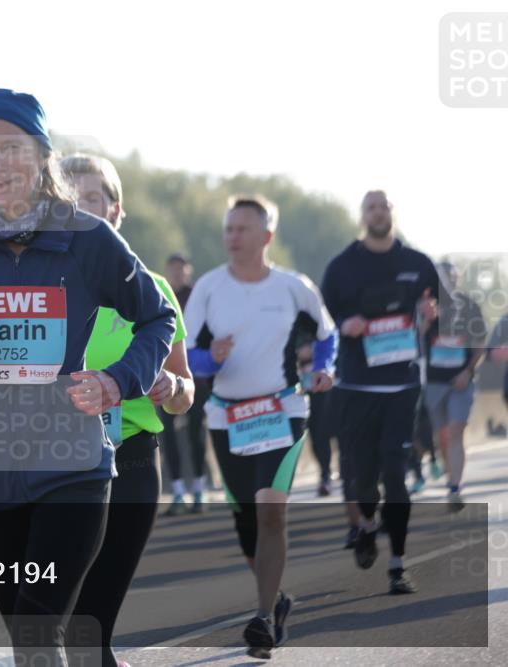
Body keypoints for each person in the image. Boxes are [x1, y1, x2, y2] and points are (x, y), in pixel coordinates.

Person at [0, 89, 177, 665]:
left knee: (38, 631)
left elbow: (157, 316)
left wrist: (119, 381)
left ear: (41, 153)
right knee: (31, 644)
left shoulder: (88, 238)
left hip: (72, 464)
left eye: (11, 148)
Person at [184, 195, 337, 656]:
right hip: (225, 417)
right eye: (228, 229)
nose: (232, 237)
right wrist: (212, 359)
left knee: (271, 509)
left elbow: (327, 337)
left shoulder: (293, 287)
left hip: (281, 411)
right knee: (247, 521)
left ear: (266, 236)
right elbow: (186, 353)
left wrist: (323, 373)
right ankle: (278, 599)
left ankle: (263, 618)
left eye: (242, 229)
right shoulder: (209, 289)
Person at [61, 153, 194, 667]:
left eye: (91, 199)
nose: (80, 210)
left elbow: (186, 395)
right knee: (61, 623)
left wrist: (167, 385)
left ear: (116, 211)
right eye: (68, 201)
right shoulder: (43, 287)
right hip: (57, 462)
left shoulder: (154, 290)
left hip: (132, 460)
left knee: (91, 626)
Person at [321, 189, 441, 595]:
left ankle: (397, 565)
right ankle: (368, 524)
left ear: (393, 212)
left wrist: (428, 317)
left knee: (396, 472)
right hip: (355, 383)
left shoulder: (418, 264)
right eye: (370, 207)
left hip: (402, 383)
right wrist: (343, 325)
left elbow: (435, 313)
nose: (377, 212)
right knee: (364, 477)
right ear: (362, 215)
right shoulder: (342, 267)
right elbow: (322, 323)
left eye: (383, 206)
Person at [423, 261, 487, 511]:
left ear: (457, 277)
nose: (446, 280)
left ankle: (454, 487)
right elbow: (414, 338)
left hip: (461, 381)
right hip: (434, 382)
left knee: (456, 430)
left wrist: (469, 370)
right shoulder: (426, 306)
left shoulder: (469, 305)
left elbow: (480, 341)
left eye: (450, 275)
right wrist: (425, 321)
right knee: (443, 436)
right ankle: (450, 478)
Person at [160, 253, 212, 514]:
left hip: (196, 380)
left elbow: (206, 335)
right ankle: (178, 492)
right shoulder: (161, 294)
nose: (178, 273)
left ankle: (200, 490)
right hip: (164, 378)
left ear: (188, 270)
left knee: (195, 433)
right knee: (166, 432)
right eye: (173, 269)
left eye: (181, 269)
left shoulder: (197, 297)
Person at [297, 338, 334, 496]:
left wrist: (314, 349)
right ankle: (325, 473)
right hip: (307, 386)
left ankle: (352, 474)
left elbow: (333, 333)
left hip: (333, 382)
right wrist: (297, 353)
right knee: (316, 434)